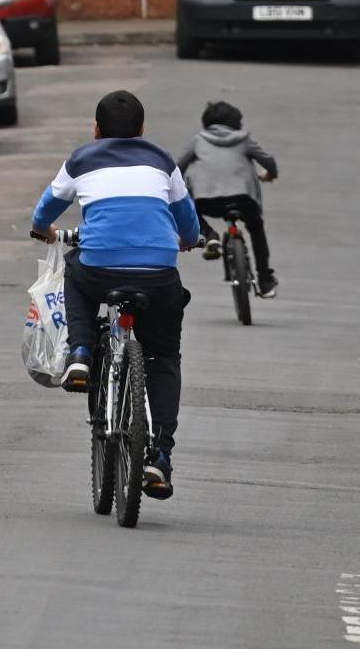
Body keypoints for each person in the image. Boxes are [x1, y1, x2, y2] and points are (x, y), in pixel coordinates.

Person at [30, 89, 201, 499]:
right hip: (158, 274)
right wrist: (187, 240)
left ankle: (82, 354)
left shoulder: (81, 159)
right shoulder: (162, 161)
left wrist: (45, 232)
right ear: (142, 130)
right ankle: (159, 456)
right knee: (163, 358)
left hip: (100, 267)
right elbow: (189, 223)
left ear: (96, 129)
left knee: (76, 270)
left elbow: (44, 212)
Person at [178, 100, 281, 299]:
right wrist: (270, 174)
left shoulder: (198, 140)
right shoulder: (244, 139)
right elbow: (268, 161)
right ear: (237, 123)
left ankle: (210, 236)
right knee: (256, 228)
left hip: (207, 200)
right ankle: (265, 279)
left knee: (191, 210)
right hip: (243, 199)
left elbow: (178, 166)